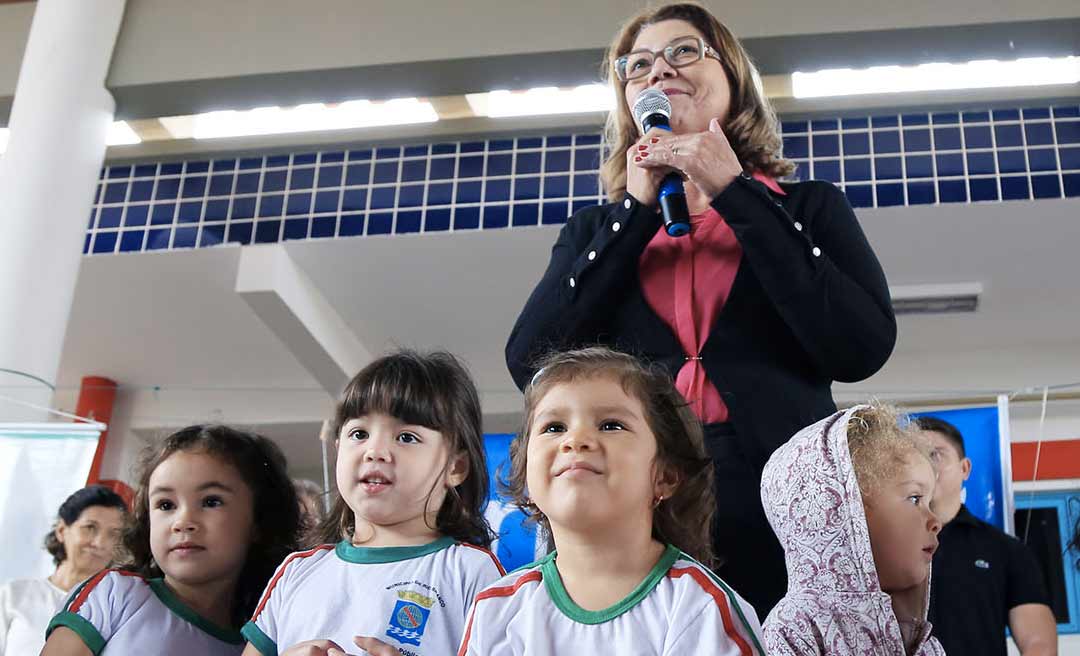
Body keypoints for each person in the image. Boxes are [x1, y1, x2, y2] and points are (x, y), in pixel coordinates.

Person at [504, 2, 896, 618]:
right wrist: (633, 214)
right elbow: (531, 360)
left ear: (732, 75)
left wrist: (735, 193)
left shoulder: (809, 208)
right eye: (637, 67)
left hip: (786, 501)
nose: (659, 72)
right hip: (644, 499)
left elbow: (861, 346)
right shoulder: (594, 230)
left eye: (683, 51)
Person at [459, 347, 763, 655]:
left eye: (610, 425)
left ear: (666, 476)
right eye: (554, 428)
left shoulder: (699, 606)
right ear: (527, 482)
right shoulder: (496, 611)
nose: (575, 440)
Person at [241, 350, 504, 656]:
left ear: (455, 467)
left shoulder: (471, 572)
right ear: (339, 449)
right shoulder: (297, 571)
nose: (374, 451)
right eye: (359, 433)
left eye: (406, 437)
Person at [42, 425, 302, 655]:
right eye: (166, 505)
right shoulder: (114, 594)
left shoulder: (268, 637)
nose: (183, 522)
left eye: (211, 502)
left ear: (259, 519)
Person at [761, 404, 945, 655]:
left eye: (929, 502)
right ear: (844, 511)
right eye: (915, 498)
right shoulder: (794, 630)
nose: (935, 520)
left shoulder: (920, 644)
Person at [915, 416, 1057, 656]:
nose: (927, 466)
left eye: (936, 454)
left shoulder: (1005, 550)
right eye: (917, 457)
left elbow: (1039, 644)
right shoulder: (878, 549)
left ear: (965, 468)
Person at [0, 485, 127, 655]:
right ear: (61, 530)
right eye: (90, 528)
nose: (100, 543)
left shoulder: (120, 610)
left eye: (113, 534)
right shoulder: (14, 595)